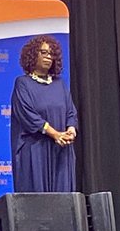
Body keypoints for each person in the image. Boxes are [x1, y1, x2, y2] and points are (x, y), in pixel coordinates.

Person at [10, 35, 78, 193]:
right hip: (35, 151)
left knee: (63, 203)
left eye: (51, 54)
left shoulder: (60, 84)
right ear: (33, 55)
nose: (49, 57)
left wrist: (71, 130)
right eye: (44, 52)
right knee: (38, 204)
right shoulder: (23, 83)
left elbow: (70, 112)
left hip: (61, 152)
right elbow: (28, 116)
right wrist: (55, 135)